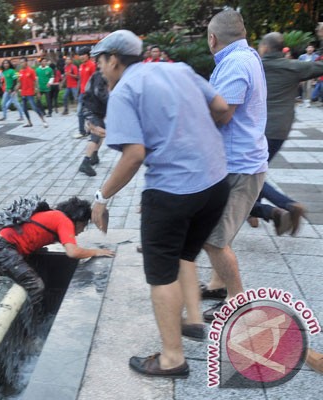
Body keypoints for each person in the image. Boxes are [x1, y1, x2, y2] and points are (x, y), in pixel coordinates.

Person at [89, 30, 230, 379]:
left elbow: (134, 156)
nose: (99, 68)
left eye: (100, 61)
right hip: (215, 182)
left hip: (172, 193)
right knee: (183, 256)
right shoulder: (178, 69)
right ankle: (191, 321)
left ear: (115, 60)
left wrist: (101, 197)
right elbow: (222, 109)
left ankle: (171, 358)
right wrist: (192, 139)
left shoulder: (124, 91)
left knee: (161, 274)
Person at [200, 10, 269, 321]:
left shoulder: (236, 63)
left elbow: (223, 113)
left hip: (240, 166)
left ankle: (237, 300)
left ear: (213, 39)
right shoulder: (245, 57)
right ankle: (217, 284)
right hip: (237, 162)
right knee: (215, 232)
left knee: (213, 238)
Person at [247, 32, 323, 235]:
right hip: (280, 129)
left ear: (264, 47)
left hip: (255, 129)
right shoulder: (294, 67)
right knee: (253, 172)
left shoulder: (254, 67)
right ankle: (256, 211)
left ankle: (286, 206)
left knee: (245, 174)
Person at [0, 196, 114, 308]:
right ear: (78, 220)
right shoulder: (64, 220)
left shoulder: (53, 216)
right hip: (3, 250)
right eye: (84, 226)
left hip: (0, 248)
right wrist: (95, 252)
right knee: (35, 286)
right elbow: (73, 252)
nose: (82, 230)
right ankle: (31, 329)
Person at [78, 70, 109, 177]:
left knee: (100, 132)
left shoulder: (106, 75)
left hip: (97, 110)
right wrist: (113, 100)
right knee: (96, 134)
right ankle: (85, 162)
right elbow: (99, 92)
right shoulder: (99, 75)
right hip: (91, 108)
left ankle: (94, 156)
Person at [17, 57, 48, 128]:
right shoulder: (20, 72)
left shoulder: (31, 71)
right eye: (20, 62)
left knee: (34, 107)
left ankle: (43, 121)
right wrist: (16, 89)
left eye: (22, 62)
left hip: (30, 92)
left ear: (26, 62)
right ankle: (29, 122)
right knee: (24, 108)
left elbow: (35, 81)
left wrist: (38, 91)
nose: (21, 63)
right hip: (23, 93)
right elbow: (19, 82)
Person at [74, 47, 96, 138]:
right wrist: (78, 91)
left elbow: (95, 80)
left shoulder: (92, 65)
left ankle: (91, 130)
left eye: (83, 55)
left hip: (90, 93)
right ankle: (84, 131)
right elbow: (80, 80)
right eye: (80, 55)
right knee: (81, 113)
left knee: (87, 113)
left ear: (88, 55)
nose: (81, 57)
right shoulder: (81, 66)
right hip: (82, 93)